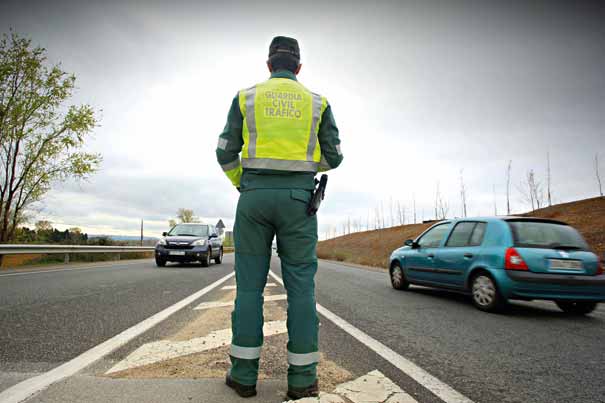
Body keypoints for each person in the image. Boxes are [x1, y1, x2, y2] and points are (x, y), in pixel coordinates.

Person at [215, 35, 343, 399]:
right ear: (298, 67)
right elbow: (333, 158)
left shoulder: (246, 97)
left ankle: (243, 376)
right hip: (299, 202)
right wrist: (302, 173)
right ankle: (302, 381)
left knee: (249, 290)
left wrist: (245, 183)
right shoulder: (318, 103)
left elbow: (225, 152)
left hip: (253, 198)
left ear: (269, 65)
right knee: (301, 288)